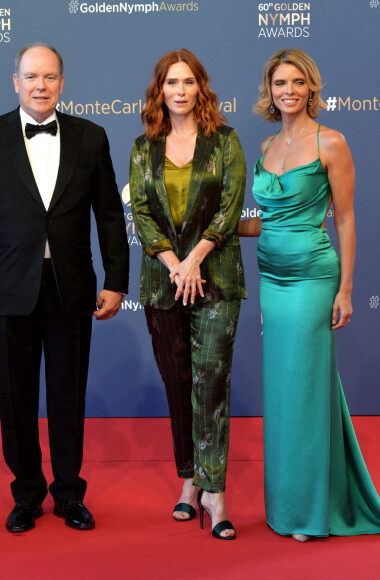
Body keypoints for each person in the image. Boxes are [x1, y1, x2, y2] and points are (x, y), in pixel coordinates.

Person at [0, 42, 129, 533]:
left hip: (71, 286)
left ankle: (69, 493)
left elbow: (110, 215)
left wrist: (117, 280)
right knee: (16, 397)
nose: (40, 86)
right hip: (7, 289)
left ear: (62, 83)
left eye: (49, 77)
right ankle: (27, 492)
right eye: (31, 76)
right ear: (15, 82)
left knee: (68, 396)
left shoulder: (91, 137)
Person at [239, 48, 380, 542]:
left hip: (312, 277)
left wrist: (345, 287)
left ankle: (312, 511)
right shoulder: (265, 146)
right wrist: (218, 227)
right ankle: (288, 504)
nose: (289, 91)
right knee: (285, 392)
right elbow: (269, 220)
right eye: (280, 83)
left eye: (298, 82)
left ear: (311, 88)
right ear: (269, 90)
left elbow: (344, 218)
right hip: (271, 280)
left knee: (303, 389)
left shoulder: (332, 142)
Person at [129, 49, 246, 540]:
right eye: (171, 83)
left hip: (215, 276)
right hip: (164, 281)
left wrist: (195, 258)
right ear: (160, 90)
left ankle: (214, 491)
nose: (180, 90)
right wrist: (176, 266)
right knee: (179, 386)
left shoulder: (225, 141)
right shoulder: (143, 146)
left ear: (201, 87)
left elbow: (230, 205)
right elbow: (140, 210)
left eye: (188, 82)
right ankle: (188, 482)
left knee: (210, 383)